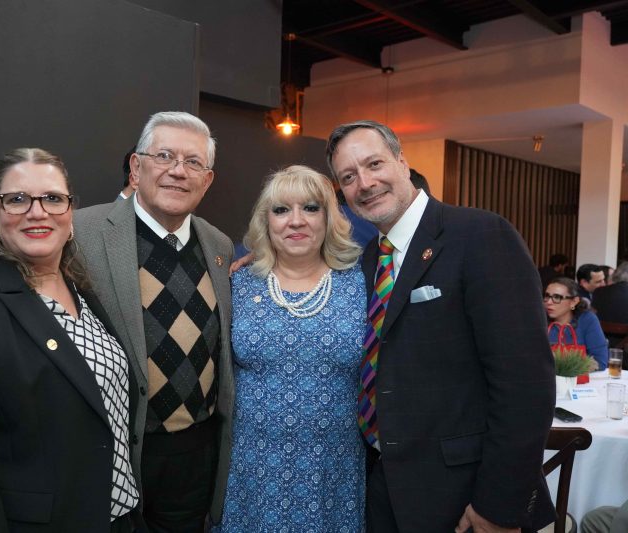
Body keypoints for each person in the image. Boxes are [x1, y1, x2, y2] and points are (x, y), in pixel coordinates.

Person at [326, 120, 556, 532]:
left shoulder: (480, 235)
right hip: (382, 488)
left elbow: (525, 385)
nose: (365, 183)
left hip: (464, 497)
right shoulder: (366, 261)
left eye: (374, 164)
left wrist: (498, 506)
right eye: (348, 177)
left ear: (402, 161)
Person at [0, 148, 139, 532]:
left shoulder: (81, 292)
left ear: (70, 213)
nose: (38, 212)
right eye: (17, 199)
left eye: (53, 198)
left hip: (117, 519)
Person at [75, 111, 234, 532]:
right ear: (136, 166)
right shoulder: (81, 232)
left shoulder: (218, 244)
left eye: (193, 162)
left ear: (207, 180)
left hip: (192, 454)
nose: (178, 171)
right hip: (111, 448)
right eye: (164, 156)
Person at [215, 166, 366, 532]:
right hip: (251, 471)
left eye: (311, 208)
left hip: (334, 472)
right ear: (265, 221)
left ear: (329, 218)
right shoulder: (235, 283)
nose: (296, 221)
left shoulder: (362, 283)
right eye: (281, 210)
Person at [545, 277, 608, 370]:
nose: (549, 302)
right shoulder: (539, 319)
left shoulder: (587, 320)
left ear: (574, 302)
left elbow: (600, 361)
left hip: (577, 378)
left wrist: (560, 361)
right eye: (547, 296)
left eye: (557, 297)